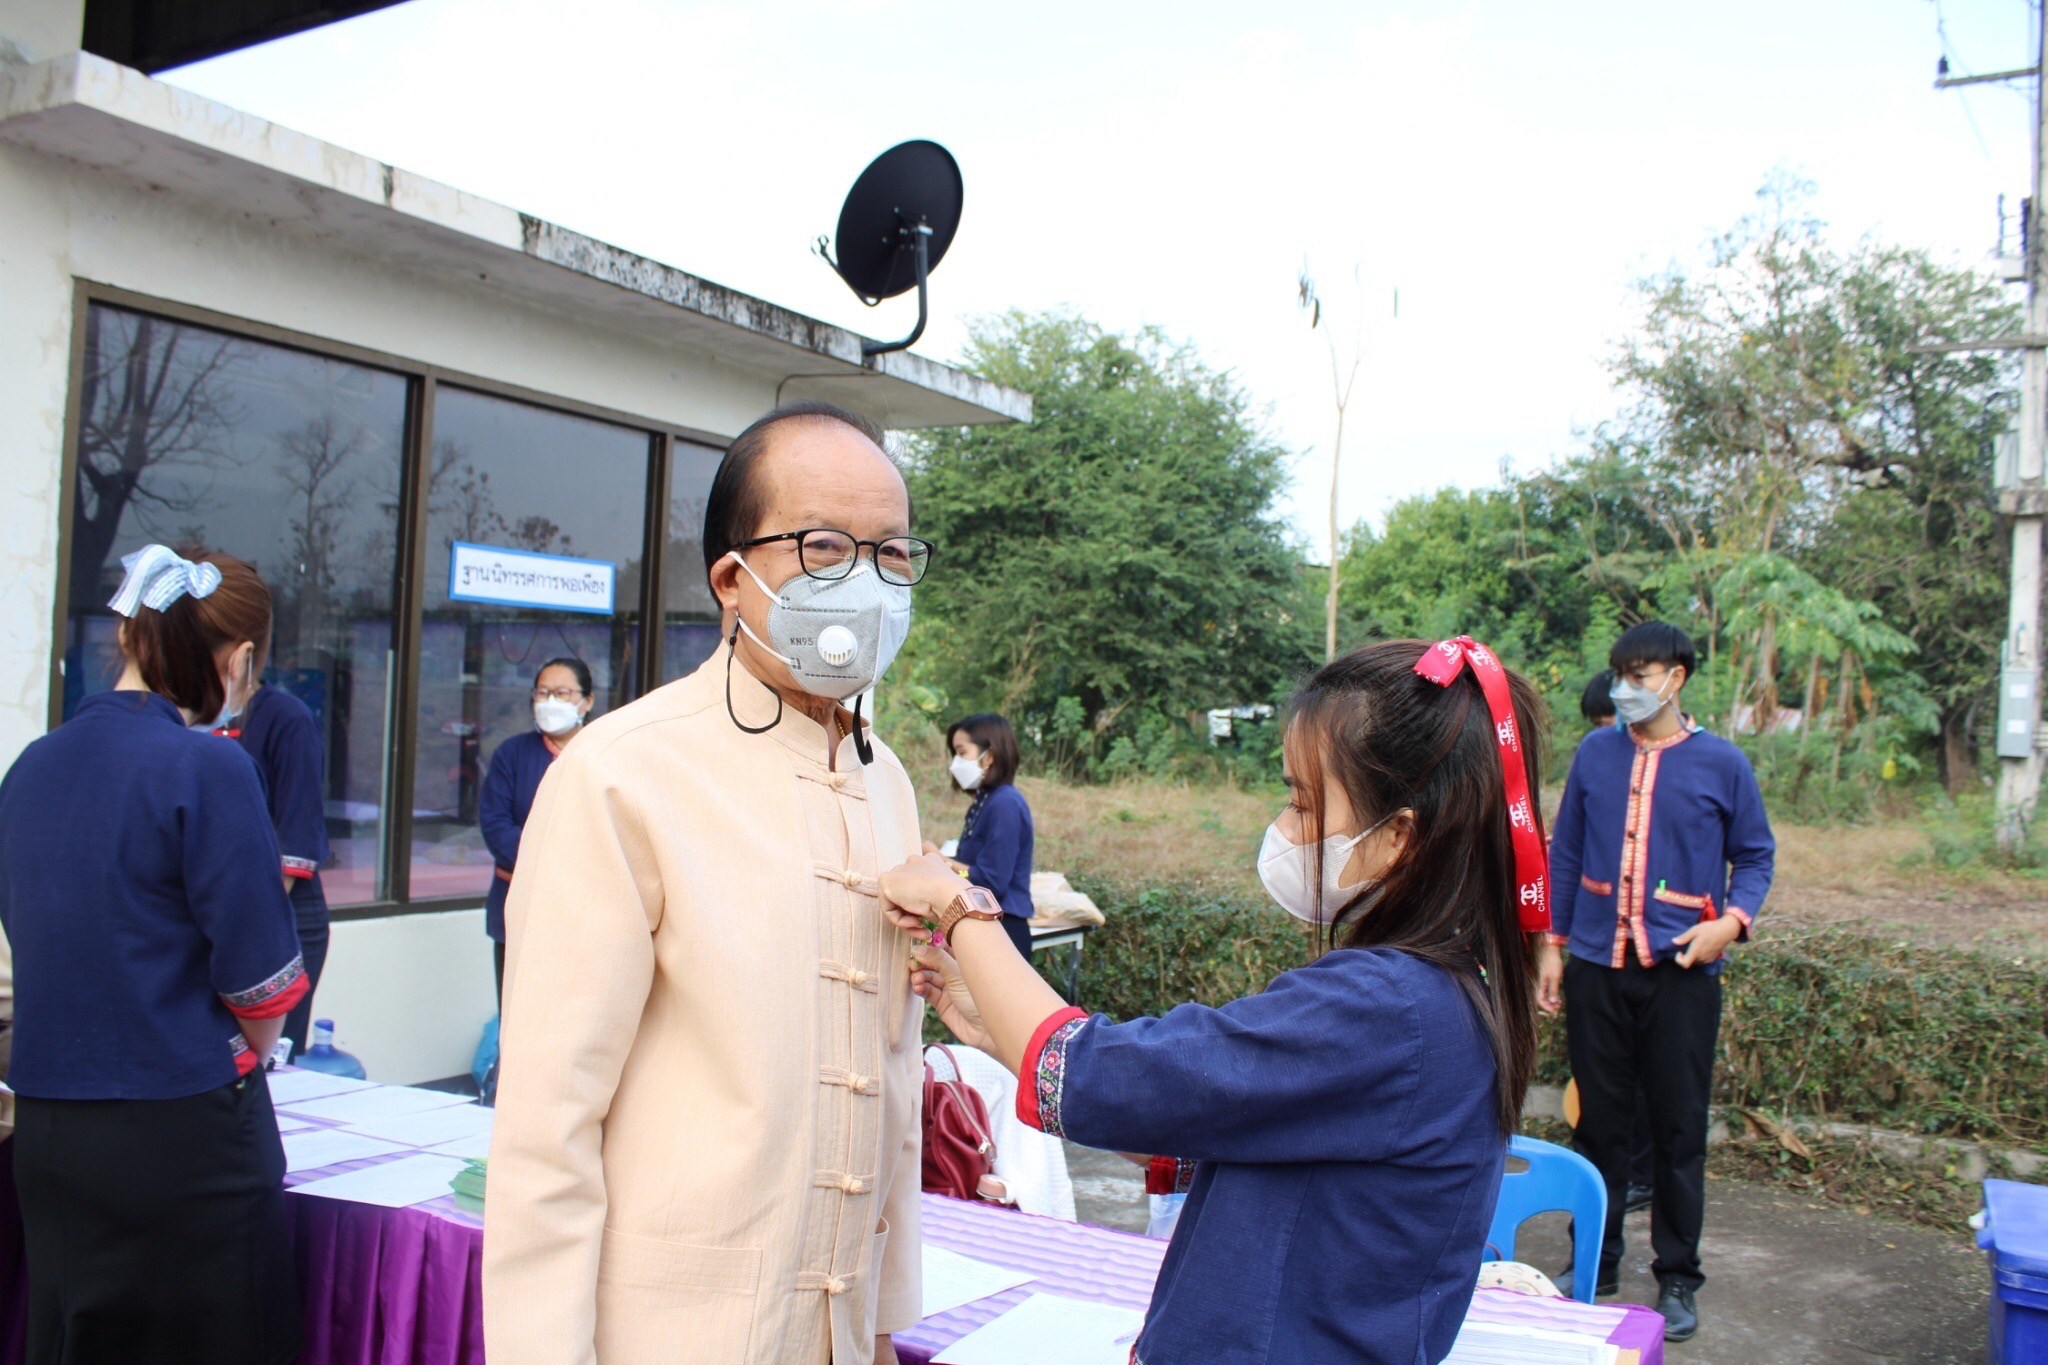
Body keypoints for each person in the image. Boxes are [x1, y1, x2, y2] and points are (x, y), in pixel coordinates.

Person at [882, 636, 1552, 1365]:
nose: (1284, 829)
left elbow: (1105, 1073)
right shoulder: (1439, 996)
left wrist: (960, 907)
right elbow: (1190, 1117)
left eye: (1302, 802)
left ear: (1397, 836)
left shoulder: (1386, 1007)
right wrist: (997, 1035)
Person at [484, 402, 930, 1365]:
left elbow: (894, 1072)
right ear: (732, 578)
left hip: (840, 1331)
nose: (864, 580)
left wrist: (884, 1320)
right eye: (824, 546)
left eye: (892, 554)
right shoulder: (623, 773)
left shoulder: (886, 779)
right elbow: (547, 1125)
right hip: (675, 1332)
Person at [0, 545, 307, 1364]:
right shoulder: (210, 765)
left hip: (48, 1129)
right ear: (241, 660)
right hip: (181, 1136)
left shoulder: (30, 766)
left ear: (129, 635)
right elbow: (263, 991)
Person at [1539, 622, 1776, 1343]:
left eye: (1639, 676)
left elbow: (1755, 856)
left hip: (1682, 970)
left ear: (1676, 677)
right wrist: (1552, 947)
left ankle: (1677, 1276)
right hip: (1597, 966)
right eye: (1620, 675)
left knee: (1677, 1128)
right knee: (1598, 1125)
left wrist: (1730, 923)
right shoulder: (1596, 753)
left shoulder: (1722, 763)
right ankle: (1595, 1262)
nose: (1625, 689)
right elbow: (1566, 850)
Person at [220, 671, 331, 1058]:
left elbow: (297, 833)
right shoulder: (186, 720)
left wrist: (243, 928)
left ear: (242, 656)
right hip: (212, 920)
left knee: (268, 1062)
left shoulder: (287, 719)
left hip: (277, 915)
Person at [1575, 670, 1651, 1212]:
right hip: (1597, 946)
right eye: (1598, 722)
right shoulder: (1597, 760)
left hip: (1649, 952)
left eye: (1609, 720)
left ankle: (1643, 1173)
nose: (1605, 730)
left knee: (1648, 1082)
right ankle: (1607, 1190)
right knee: (1604, 1085)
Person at [478, 656, 593, 1003]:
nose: (550, 702)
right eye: (543, 693)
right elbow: (496, 825)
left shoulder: (605, 753)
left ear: (587, 701)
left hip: (587, 909)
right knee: (518, 1009)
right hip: (519, 903)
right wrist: (553, 862)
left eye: (562, 693)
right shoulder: (512, 755)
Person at [941, 714, 1035, 959]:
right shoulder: (985, 801)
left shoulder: (1005, 804)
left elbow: (991, 882)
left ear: (989, 756)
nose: (955, 763)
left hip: (1004, 932)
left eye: (962, 752)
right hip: (987, 926)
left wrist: (940, 862)